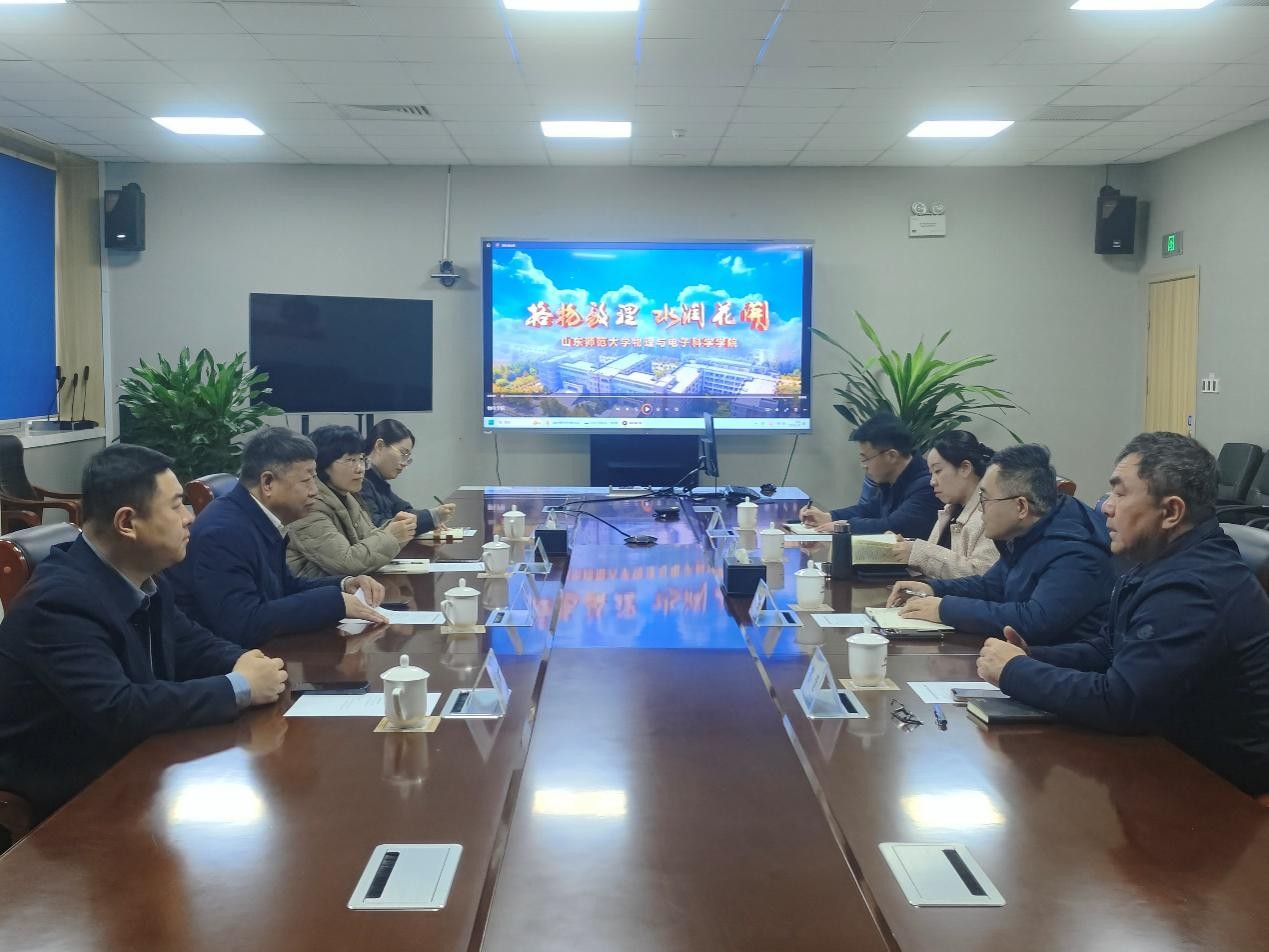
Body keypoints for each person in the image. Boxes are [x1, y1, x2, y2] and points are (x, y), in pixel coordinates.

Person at [0, 444, 289, 819]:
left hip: (138, 765)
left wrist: (245, 661)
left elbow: (189, 642)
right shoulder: (58, 604)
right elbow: (120, 709)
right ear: (127, 523)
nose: (189, 518)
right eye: (176, 506)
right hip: (70, 796)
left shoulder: (142, 577)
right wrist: (240, 686)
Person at [977, 433, 1269, 796]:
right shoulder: (1159, 562)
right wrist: (1032, 656)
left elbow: (1121, 702)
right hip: (1166, 752)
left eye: (1120, 493)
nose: (1105, 507)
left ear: (1171, 512)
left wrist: (1015, 671)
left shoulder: (1192, 588)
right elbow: (1108, 648)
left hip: (1218, 786)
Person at [170, 427, 387, 649]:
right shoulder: (224, 532)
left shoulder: (255, 515)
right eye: (307, 480)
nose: (314, 491)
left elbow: (284, 586)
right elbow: (243, 623)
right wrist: (334, 603)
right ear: (268, 483)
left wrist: (344, 584)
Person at [887, 443, 1113, 645]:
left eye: (985, 499)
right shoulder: (1028, 530)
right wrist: (934, 589)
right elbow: (992, 585)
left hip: (1062, 665)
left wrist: (944, 609)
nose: (980, 509)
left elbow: (1035, 620)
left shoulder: (1075, 550)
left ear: (1021, 507)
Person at [286, 425, 415, 579]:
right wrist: (392, 536)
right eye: (350, 460)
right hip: (313, 590)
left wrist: (396, 528)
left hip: (345, 587)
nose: (360, 468)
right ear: (323, 465)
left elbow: (368, 537)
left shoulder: (347, 496)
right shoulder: (308, 506)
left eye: (361, 459)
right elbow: (346, 563)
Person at [799, 412, 941, 538]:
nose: (864, 466)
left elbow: (894, 527)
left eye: (866, 459)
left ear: (891, 456)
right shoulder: (892, 481)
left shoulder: (927, 486)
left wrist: (844, 526)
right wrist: (829, 517)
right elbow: (869, 509)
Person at [892, 429, 1000, 579]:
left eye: (938, 471)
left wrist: (916, 552)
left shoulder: (990, 513)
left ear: (965, 468)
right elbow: (932, 564)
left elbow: (982, 576)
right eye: (931, 473)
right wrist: (904, 546)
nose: (932, 481)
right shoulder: (950, 510)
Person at [362, 419, 456, 533]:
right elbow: (376, 527)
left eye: (407, 458)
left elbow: (403, 509)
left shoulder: (377, 480)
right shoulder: (360, 481)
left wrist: (431, 519)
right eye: (403, 454)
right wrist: (434, 517)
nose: (404, 464)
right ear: (380, 446)